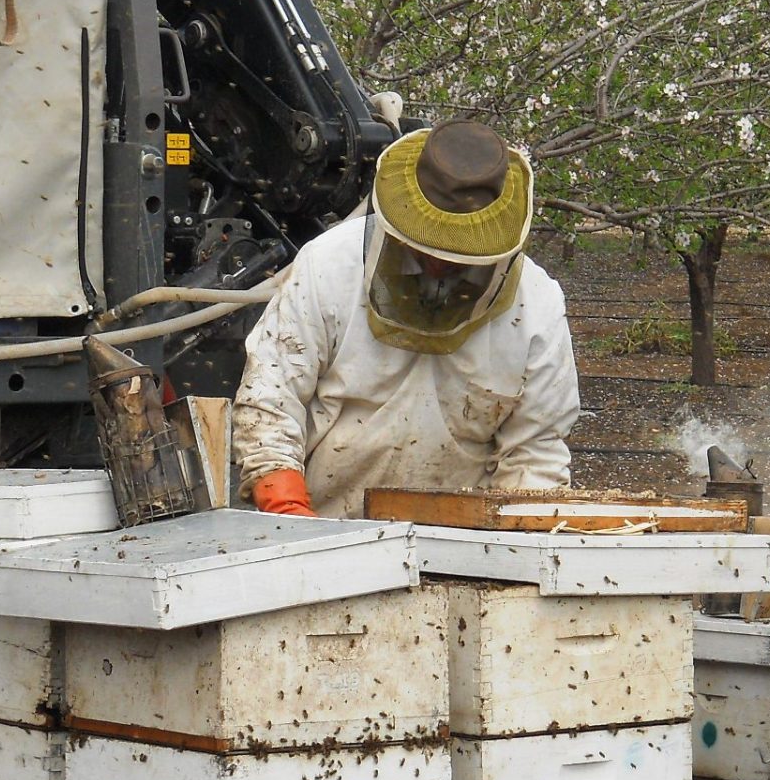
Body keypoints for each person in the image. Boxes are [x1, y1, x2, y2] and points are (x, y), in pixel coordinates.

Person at [233, 119, 580, 517]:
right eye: (429, 249)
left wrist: (511, 547)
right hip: (320, 525)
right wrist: (287, 508)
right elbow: (270, 399)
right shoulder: (328, 266)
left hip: (463, 540)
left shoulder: (536, 305)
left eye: (456, 255)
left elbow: (535, 452)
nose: (438, 266)